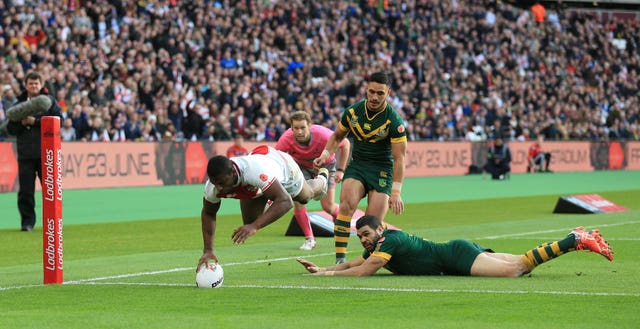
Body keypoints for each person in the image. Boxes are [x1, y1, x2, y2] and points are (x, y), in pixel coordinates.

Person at [297, 215, 614, 277]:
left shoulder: (389, 241)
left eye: (367, 234)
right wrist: (322, 267)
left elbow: (365, 271)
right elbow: (354, 263)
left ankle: (573, 240)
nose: (364, 240)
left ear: (380, 229)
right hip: (455, 251)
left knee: (516, 270)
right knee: (518, 262)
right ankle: (575, 238)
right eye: (361, 237)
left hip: (455, 257)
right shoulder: (376, 245)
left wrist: (326, 277)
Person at [313, 72, 407, 264]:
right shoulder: (353, 112)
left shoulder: (394, 121)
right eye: (371, 92)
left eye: (380, 93)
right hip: (358, 165)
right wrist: (324, 155)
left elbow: (399, 158)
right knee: (345, 207)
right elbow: (337, 136)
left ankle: (370, 261)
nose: (374, 97)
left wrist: (396, 192)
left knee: (372, 223)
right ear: (366, 89)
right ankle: (340, 260)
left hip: (382, 171)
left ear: (388, 93)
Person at [197, 145, 329, 270]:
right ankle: (268, 191)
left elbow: (286, 202)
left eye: (221, 183)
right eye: (215, 183)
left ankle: (322, 179)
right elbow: (209, 213)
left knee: (305, 197)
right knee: (249, 223)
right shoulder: (213, 187)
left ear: (232, 172)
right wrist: (208, 250)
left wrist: (255, 226)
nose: (219, 187)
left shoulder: (253, 171)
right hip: (259, 178)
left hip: (283, 167)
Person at [276, 111, 351, 250]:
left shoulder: (323, 135)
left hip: (326, 166)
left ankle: (341, 223)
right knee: (299, 202)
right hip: (301, 168)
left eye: (302, 127)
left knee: (328, 207)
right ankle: (310, 239)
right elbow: (275, 158)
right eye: (296, 128)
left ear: (309, 125)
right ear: (291, 128)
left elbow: (345, 144)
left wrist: (341, 170)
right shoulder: (285, 139)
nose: (299, 131)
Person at [6, 71, 63, 232]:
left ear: (41, 85)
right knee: (25, 192)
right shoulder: (19, 105)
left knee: (51, 189)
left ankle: (53, 222)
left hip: (47, 153)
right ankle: (27, 223)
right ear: (26, 85)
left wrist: (36, 121)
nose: (33, 86)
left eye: (36, 83)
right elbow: (10, 128)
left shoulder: (49, 102)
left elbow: (60, 120)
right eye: (30, 83)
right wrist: (23, 124)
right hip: (25, 154)